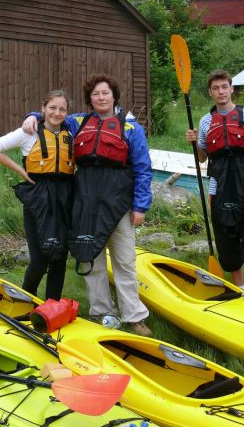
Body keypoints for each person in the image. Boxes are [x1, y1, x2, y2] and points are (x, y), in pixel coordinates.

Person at [23, 74, 153, 337]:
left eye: (105, 93)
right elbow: (53, 115)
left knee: (124, 260)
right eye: (96, 94)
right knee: (89, 257)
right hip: (85, 202)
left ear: (114, 96)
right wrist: (32, 115)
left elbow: (143, 169)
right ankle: (102, 312)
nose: (101, 98)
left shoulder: (131, 129)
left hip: (118, 203)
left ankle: (134, 317)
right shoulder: (78, 122)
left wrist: (140, 205)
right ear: (90, 99)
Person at [185, 69, 244, 291]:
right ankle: (241, 289)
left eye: (224, 87)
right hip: (219, 187)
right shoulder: (205, 122)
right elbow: (203, 158)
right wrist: (195, 144)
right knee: (226, 239)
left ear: (232, 89)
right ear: (210, 93)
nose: (221, 91)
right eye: (216, 88)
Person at [0, 90, 73, 301]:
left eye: (62, 109)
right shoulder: (29, 133)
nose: (57, 113)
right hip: (38, 199)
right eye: (52, 107)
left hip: (64, 198)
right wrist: (20, 171)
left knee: (59, 257)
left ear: (67, 113)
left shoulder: (70, 134)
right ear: (43, 109)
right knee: (39, 260)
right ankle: (26, 301)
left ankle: (52, 306)